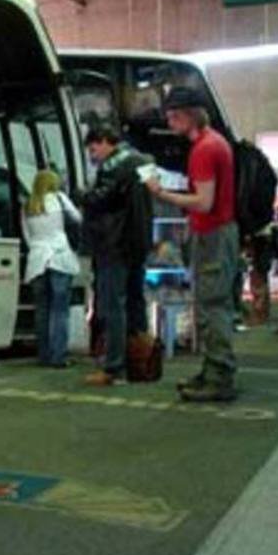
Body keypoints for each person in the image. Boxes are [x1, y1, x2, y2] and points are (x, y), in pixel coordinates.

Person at [146, 87, 238, 402]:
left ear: (189, 114)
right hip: (214, 232)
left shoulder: (204, 149)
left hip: (213, 235)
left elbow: (203, 201)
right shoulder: (215, 144)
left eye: (173, 117)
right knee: (210, 306)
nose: (170, 124)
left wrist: (161, 194)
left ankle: (219, 376)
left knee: (212, 308)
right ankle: (212, 370)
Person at [79, 125, 154, 387]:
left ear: (103, 141)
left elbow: (100, 200)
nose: (93, 155)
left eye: (93, 149)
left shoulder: (113, 166)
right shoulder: (144, 161)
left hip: (114, 244)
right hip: (139, 243)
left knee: (113, 306)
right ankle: (141, 363)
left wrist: (82, 195)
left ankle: (113, 367)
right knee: (136, 304)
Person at [22, 170, 82, 369]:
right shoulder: (60, 198)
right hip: (59, 257)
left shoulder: (28, 204)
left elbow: (27, 236)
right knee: (60, 310)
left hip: (37, 260)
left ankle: (44, 355)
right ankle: (59, 356)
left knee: (42, 310)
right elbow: (78, 218)